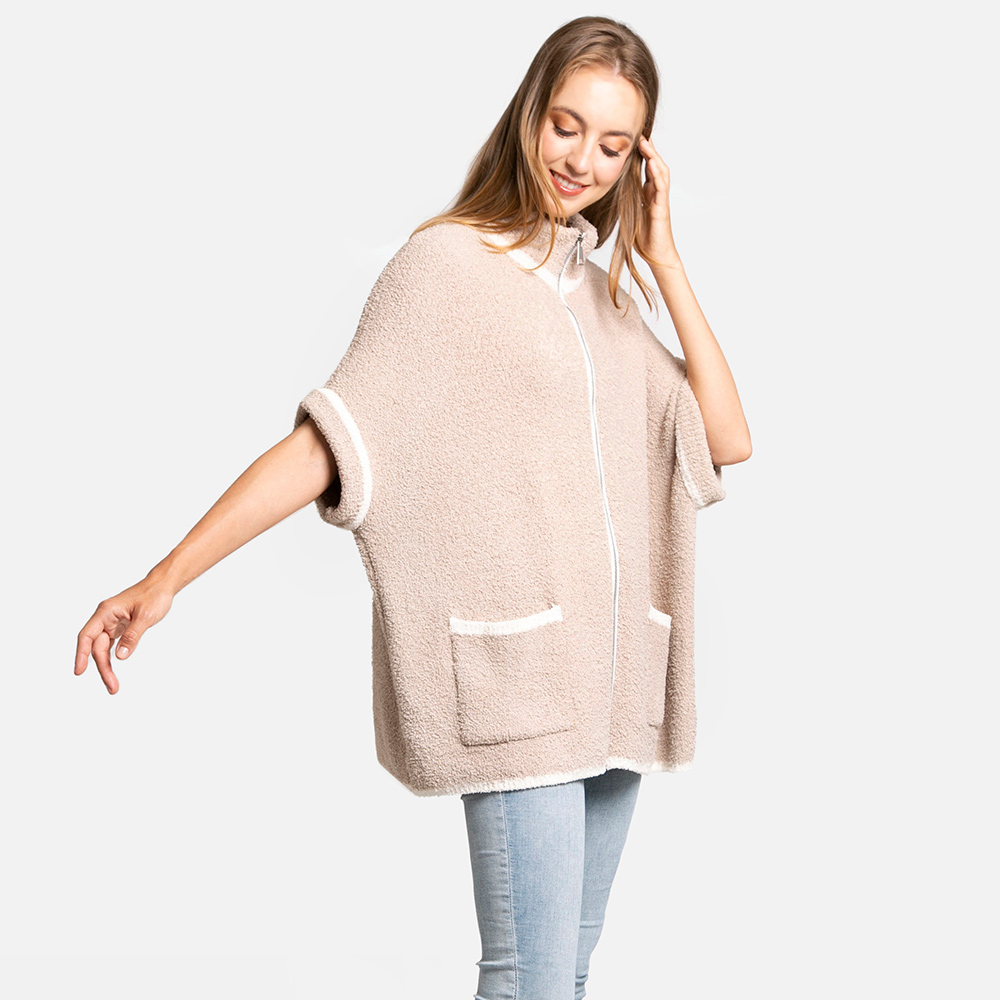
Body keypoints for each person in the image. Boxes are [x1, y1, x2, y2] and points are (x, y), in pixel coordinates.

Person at [75, 15, 751, 999]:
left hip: (613, 689)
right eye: (566, 126)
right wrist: (163, 578)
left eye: (613, 145)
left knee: (564, 978)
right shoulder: (446, 268)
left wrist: (665, 262)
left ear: (637, 161)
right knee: (529, 981)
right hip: (521, 687)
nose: (582, 162)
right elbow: (329, 442)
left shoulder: (602, 299)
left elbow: (724, 438)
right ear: (529, 114)